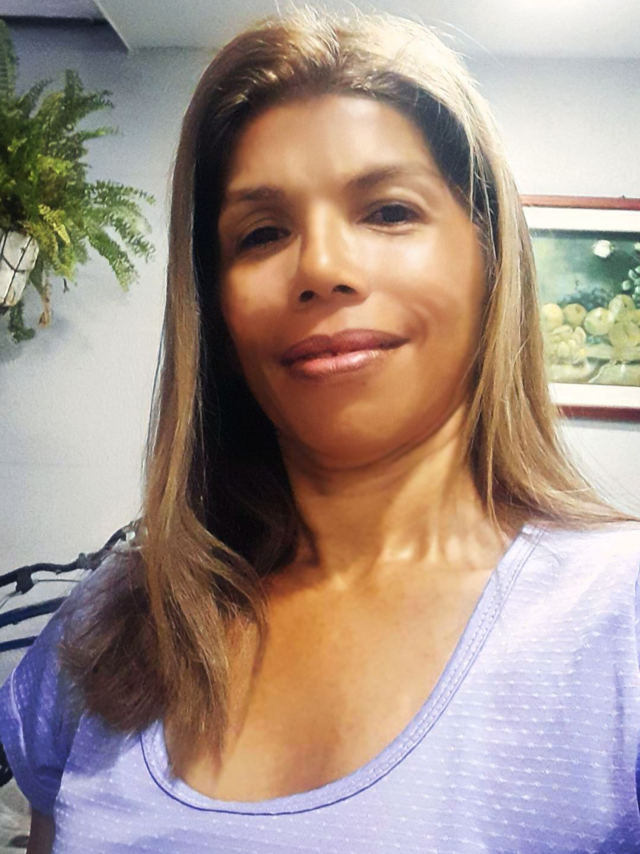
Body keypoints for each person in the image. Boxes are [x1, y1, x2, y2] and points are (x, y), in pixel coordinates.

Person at [2, 6, 640, 852]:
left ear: (490, 259)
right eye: (262, 233)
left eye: (389, 212)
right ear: (216, 308)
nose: (323, 269)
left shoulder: (620, 618)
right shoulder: (115, 623)